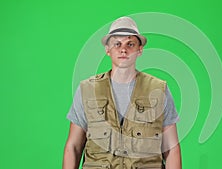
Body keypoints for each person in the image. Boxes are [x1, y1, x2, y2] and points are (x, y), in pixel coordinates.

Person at [63, 16, 181, 169]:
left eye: (130, 44)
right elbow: (73, 147)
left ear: (140, 50)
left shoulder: (158, 90)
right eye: (117, 44)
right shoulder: (87, 91)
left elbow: (172, 149)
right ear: (107, 49)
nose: (123, 49)